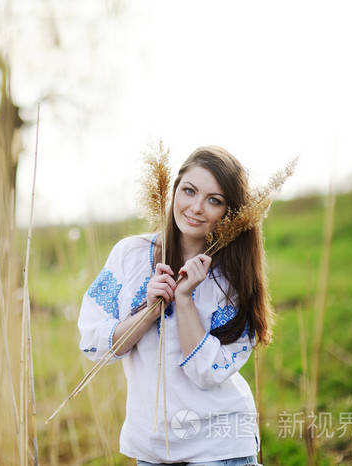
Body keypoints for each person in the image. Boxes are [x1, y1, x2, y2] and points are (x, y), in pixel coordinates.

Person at [78, 146, 272, 465]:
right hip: (152, 447)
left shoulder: (234, 278)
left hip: (220, 447)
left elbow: (207, 372)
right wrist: (150, 310)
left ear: (229, 211)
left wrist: (183, 300)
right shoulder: (130, 255)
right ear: (175, 190)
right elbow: (93, 345)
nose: (196, 207)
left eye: (214, 200)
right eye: (189, 191)